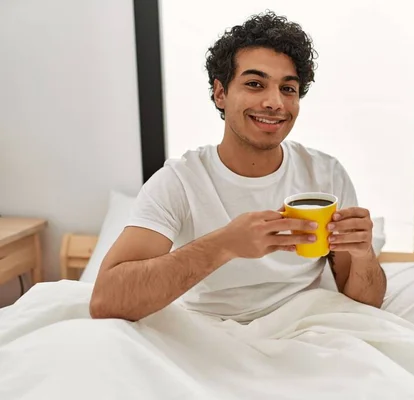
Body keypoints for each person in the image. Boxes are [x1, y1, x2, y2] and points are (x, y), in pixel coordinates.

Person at [89, 11, 386, 322]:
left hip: (305, 331)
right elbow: (105, 300)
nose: (275, 103)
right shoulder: (179, 182)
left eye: (288, 89)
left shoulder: (326, 174)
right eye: (255, 84)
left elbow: (366, 303)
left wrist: (364, 254)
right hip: (205, 336)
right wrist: (225, 244)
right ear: (220, 93)